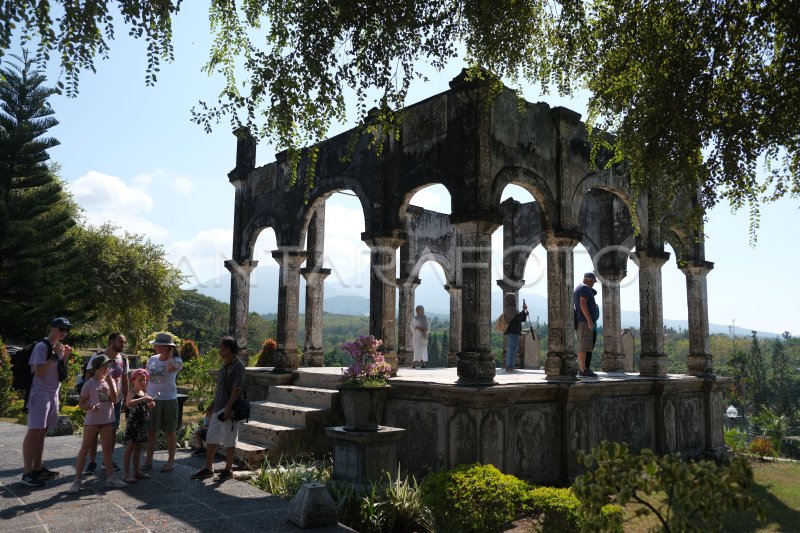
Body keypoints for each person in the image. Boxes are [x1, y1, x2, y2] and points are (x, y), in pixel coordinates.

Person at [21, 317, 73, 487]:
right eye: (60, 329)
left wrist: (64, 357)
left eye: (66, 330)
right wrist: (55, 356)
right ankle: (27, 472)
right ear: (51, 328)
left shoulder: (58, 348)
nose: (63, 332)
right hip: (40, 393)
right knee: (34, 431)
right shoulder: (42, 346)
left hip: (52, 393)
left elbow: (58, 373)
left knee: (42, 431)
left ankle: (37, 467)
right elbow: (39, 372)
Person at [69, 355, 128, 493]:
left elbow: (114, 400)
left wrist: (111, 383)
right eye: (105, 366)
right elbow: (82, 404)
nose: (108, 369)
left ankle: (111, 478)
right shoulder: (89, 384)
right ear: (96, 368)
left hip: (107, 419)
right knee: (85, 448)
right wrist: (90, 406)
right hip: (92, 421)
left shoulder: (111, 380)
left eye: (109, 366)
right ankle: (77, 480)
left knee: (107, 450)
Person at [191, 337, 245, 482]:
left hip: (229, 409)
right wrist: (213, 404)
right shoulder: (224, 365)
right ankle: (208, 468)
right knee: (211, 437)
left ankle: (228, 469)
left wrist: (228, 408)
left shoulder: (238, 366)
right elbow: (221, 388)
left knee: (229, 440)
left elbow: (237, 389)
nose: (219, 350)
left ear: (229, 349)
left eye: (221, 347)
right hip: (218, 407)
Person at [83, 333, 129, 475]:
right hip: (97, 400)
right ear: (111, 342)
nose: (123, 344)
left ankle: (107, 461)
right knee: (94, 431)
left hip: (115, 399)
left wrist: (126, 399)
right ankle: (91, 461)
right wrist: (88, 398)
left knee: (112, 431)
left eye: (124, 342)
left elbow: (125, 379)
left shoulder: (123, 359)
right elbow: (89, 375)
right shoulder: (99, 356)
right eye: (120, 341)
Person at [143, 332, 183, 472]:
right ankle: (148, 460)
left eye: (158, 344)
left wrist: (170, 356)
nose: (155, 347)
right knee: (151, 431)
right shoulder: (152, 359)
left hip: (169, 399)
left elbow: (170, 369)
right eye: (156, 344)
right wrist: (144, 394)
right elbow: (147, 377)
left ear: (168, 347)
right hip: (153, 398)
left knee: (170, 431)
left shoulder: (177, 361)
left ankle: (170, 461)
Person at [122, 369, 155, 484]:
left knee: (138, 449)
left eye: (144, 380)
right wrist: (144, 398)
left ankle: (137, 471)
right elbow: (129, 403)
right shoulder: (132, 392)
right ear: (133, 381)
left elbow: (145, 408)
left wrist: (150, 405)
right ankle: (126, 474)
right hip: (133, 425)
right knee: (130, 448)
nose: (142, 382)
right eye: (140, 380)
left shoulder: (144, 393)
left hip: (142, 425)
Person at [574, 272, 600, 379]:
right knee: (583, 346)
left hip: (583, 321)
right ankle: (583, 370)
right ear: (590, 279)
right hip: (584, 322)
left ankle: (584, 369)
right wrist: (589, 320)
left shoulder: (580, 288)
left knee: (585, 346)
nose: (594, 284)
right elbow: (582, 303)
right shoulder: (584, 288)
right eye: (594, 281)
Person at [502, 294, 529, 373]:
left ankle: (508, 366)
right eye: (514, 299)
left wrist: (524, 312)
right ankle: (510, 366)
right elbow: (518, 318)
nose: (515, 300)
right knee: (513, 349)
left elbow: (519, 317)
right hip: (513, 331)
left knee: (510, 349)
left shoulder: (509, 308)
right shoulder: (510, 308)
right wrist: (523, 310)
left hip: (512, 331)